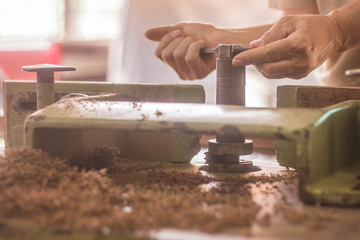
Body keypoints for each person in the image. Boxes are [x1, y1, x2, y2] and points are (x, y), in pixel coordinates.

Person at [145, 0, 360, 86]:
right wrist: (225, 41)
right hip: (337, 113)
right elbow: (303, 19)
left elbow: (327, 27)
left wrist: (336, 29)